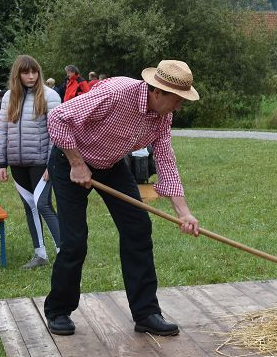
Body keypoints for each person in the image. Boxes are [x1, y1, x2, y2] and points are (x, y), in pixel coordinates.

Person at [43, 59, 202, 338]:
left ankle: (146, 313)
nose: (179, 106)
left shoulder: (163, 116)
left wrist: (183, 212)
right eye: (177, 100)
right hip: (71, 161)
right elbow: (58, 118)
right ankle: (58, 310)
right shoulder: (116, 93)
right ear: (157, 92)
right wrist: (77, 163)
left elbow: (165, 159)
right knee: (74, 241)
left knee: (138, 229)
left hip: (112, 165)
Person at [0, 56, 63, 269]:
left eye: (34, 72)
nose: (31, 76)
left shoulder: (50, 96)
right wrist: (1, 163)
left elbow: (57, 134)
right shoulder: (8, 98)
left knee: (42, 204)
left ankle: (64, 251)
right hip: (17, 163)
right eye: (26, 72)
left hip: (42, 163)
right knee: (29, 206)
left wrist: (52, 165)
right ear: (18, 74)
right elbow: (3, 131)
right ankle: (40, 254)